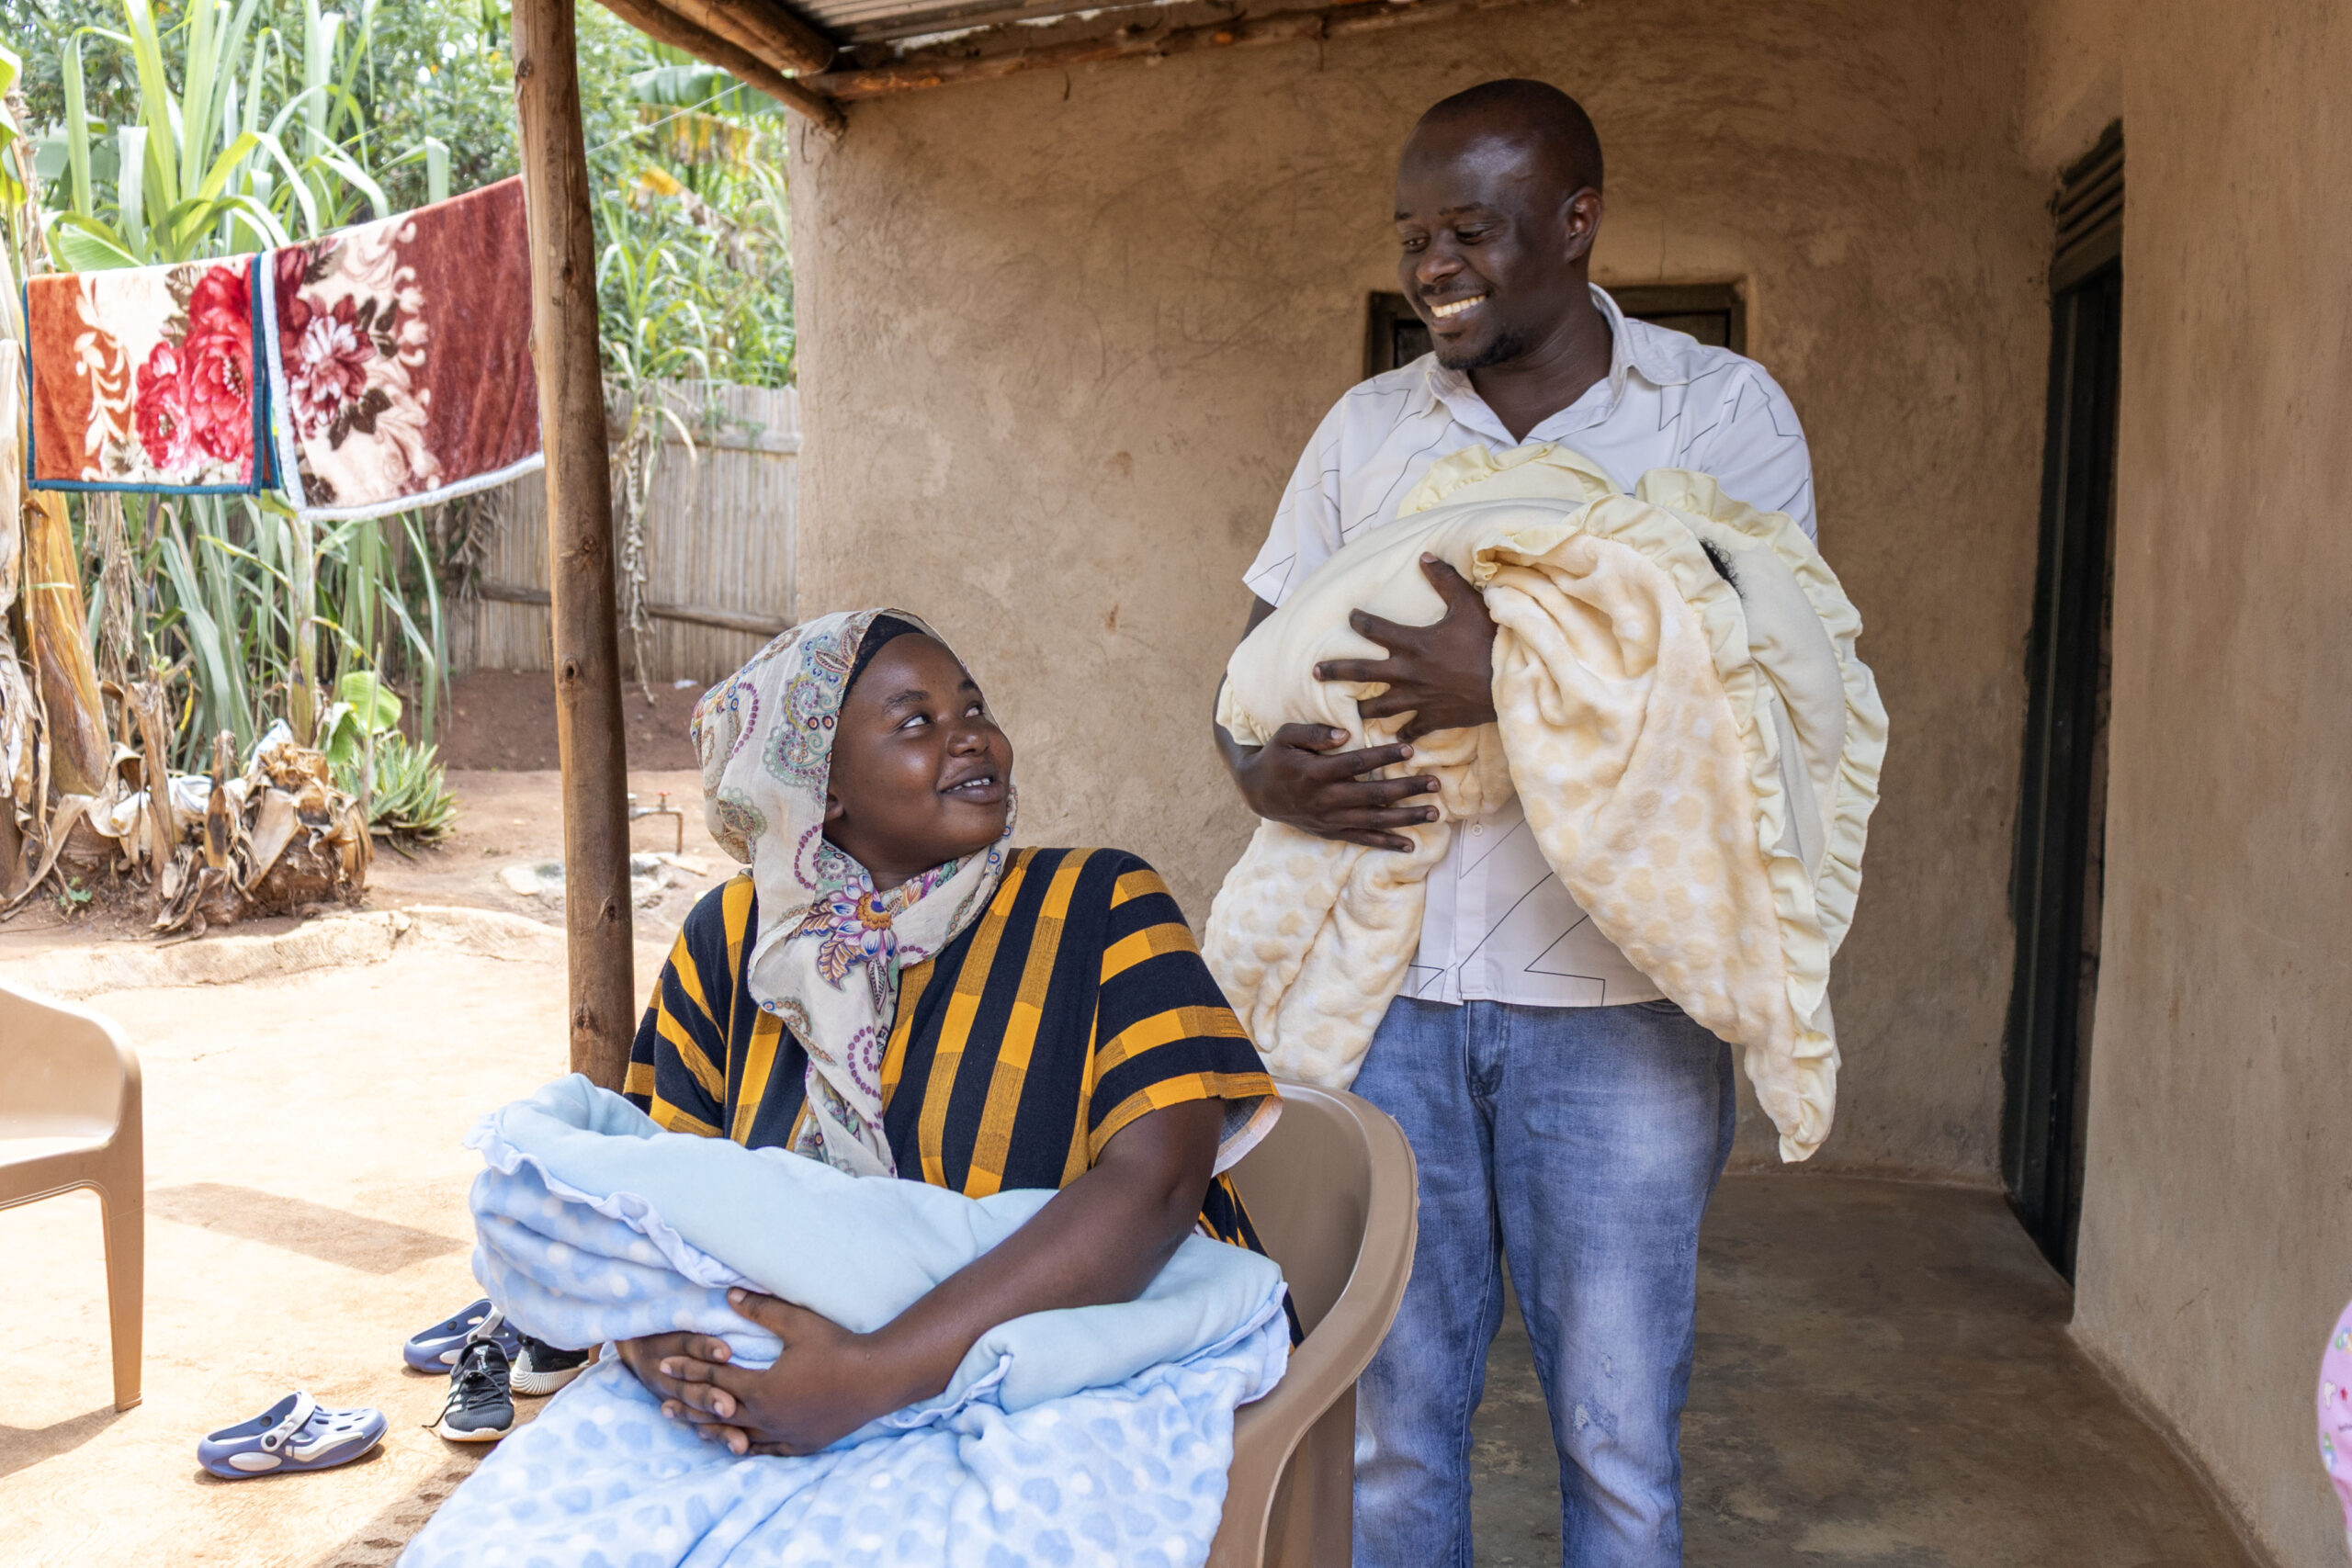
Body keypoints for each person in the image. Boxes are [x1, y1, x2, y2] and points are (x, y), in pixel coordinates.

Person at [1215, 80, 1818, 1567]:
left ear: (1577, 221)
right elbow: (1243, 678)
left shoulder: (1720, 420)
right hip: (1394, 1002)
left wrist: (1515, 678)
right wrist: (1261, 777)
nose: (1433, 265)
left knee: (1618, 1448)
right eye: (1415, 234)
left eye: (1468, 230)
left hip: (1616, 1012)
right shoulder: (1367, 432)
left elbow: (1766, 700)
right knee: (1398, 1443)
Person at [623, 608, 1283, 1456]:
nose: (970, 739)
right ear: (819, 785)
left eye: (975, 711)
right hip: (790, 1392)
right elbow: (648, 1190)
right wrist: (673, 1356)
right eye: (917, 722)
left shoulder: (1101, 903)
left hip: (1084, 1386)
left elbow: (1156, 1190)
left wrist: (872, 1374)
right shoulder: (734, 939)